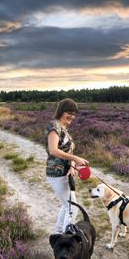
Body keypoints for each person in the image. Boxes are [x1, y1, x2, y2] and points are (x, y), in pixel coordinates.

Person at [45, 98, 89, 234]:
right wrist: (75, 158)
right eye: (69, 112)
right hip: (56, 173)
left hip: (65, 172)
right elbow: (53, 150)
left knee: (66, 205)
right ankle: (66, 238)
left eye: (74, 113)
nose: (72, 116)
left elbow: (67, 150)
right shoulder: (54, 127)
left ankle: (58, 233)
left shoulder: (64, 128)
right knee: (72, 207)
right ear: (61, 111)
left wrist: (72, 165)